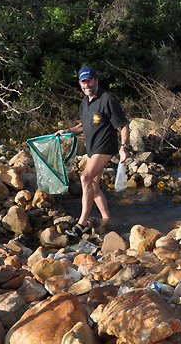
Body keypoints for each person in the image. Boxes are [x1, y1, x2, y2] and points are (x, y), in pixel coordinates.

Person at [55, 66, 131, 237]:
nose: (87, 84)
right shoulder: (84, 103)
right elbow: (84, 125)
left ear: (96, 80)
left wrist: (124, 147)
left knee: (85, 178)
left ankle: (81, 223)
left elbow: (123, 125)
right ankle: (106, 219)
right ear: (80, 84)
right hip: (92, 148)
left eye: (89, 80)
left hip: (105, 147)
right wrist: (67, 131)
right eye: (84, 81)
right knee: (94, 186)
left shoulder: (107, 99)